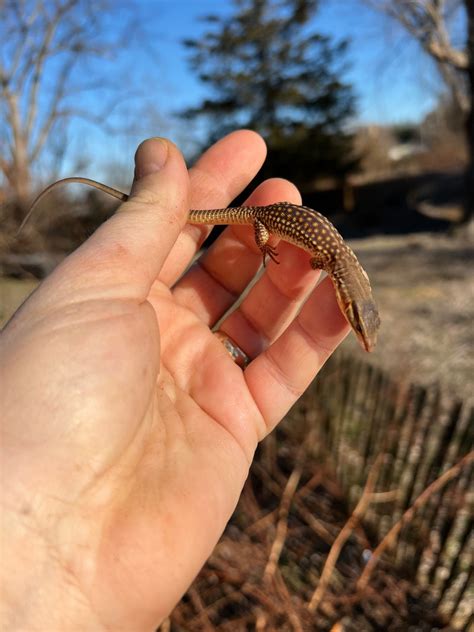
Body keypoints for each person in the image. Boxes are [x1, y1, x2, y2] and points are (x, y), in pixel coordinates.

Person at [1, 131, 350, 631]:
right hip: (263, 222)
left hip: (268, 226)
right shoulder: (323, 256)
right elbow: (288, 241)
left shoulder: (331, 259)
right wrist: (265, 244)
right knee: (252, 213)